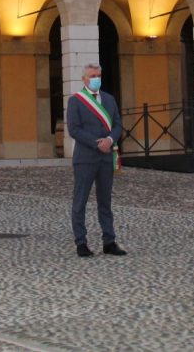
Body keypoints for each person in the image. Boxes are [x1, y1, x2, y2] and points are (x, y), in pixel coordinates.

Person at [66, 64, 126, 257]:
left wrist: (109, 140)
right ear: (84, 79)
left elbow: (117, 124)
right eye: (92, 76)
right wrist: (95, 143)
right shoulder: (76, 101)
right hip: (85, 158)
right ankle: (81, 242)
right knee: (80, 201)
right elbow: (74, 129)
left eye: (98, 76)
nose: (96, 79)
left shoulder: (109, 99)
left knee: (105, 202)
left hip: (106, 158)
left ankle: (109, 241)